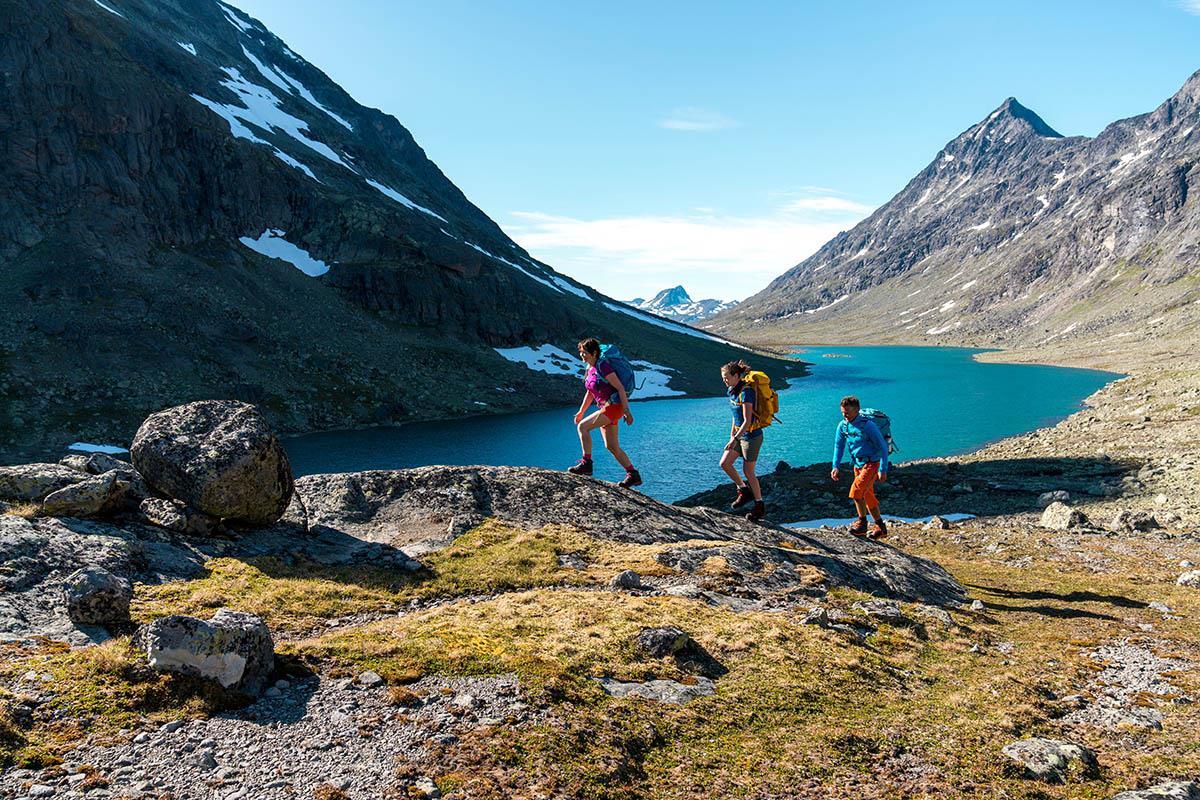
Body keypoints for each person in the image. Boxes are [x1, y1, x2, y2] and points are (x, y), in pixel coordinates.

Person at [567, 338, 642, 488]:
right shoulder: (590, 368)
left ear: (594, 353)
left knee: (583, 427)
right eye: (581, 352)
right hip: (606, 408)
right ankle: (633, 475)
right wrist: (581, 411)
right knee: (612, 446)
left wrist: (626, 411)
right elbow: (590, 392)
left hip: (614, 407)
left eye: (584, 352)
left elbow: (620, 388)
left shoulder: (603, 366)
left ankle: (586, 464)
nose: (582, 355)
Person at [831, 395, 889, 539]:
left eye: (847, 412)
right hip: (857, 464)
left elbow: (883, 446)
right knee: (868, 496)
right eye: (843, 412)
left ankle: (862, 524)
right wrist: (835, 466)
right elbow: (839, 446)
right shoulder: (843, 426)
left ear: (857, 410)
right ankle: (881, 527)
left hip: (871, 463)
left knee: (856, 492)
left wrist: (883, 469)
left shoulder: (868, 425)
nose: (845, 415)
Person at [720, 360, 765, 522]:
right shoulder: (731, 391)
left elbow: (747, 420)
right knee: (725, 463)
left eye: (727, 377)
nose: (725, 380)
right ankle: (744, 490)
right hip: (739, 435)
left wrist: (735, 439)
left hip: (752, 437)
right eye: (723, 378)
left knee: (748, 472)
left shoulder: (746, 392)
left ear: (737, 375)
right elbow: (735, 416)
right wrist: (732, 436)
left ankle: (759, 505)